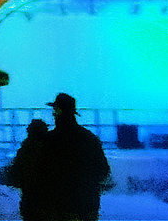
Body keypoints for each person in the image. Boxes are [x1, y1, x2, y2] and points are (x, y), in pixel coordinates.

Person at [30, 93, 111, 221]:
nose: (52, 114)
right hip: (88, 204)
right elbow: (103, 170)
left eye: (54, 110)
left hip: (60, 206)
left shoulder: (49, 141)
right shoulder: (90, 138)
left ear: (59, 110)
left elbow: (38, 173)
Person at [3, 118, 51, 221]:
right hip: (49, 197)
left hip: (30, 196)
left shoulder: (27, 148)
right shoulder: (52, 148)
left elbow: (16, 172)